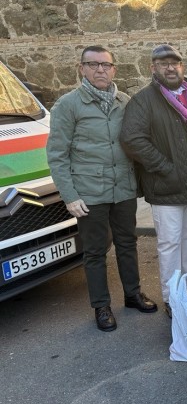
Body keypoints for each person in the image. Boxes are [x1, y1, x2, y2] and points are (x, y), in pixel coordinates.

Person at [47, 45, 157, 332]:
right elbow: (57, 155)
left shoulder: (125, 101)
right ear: (81, 68)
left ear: (114, 69)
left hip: (122, 189)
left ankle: (132, 294)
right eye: (93, 64)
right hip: (89, 193)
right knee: (95, 251)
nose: (100, 70)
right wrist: (69, 196)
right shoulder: (68, 105)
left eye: (105, 65)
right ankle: (101, 305)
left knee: (127, 243)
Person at [120, 44, 187, 318]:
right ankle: (171, 298)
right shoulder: (144, 100)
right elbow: (132, 139)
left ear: (182, 66)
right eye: (163, 63)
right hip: (165, 186)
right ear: (153, 68)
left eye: (175, 62)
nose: (170, 67)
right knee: (168, 244)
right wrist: (165, 168)